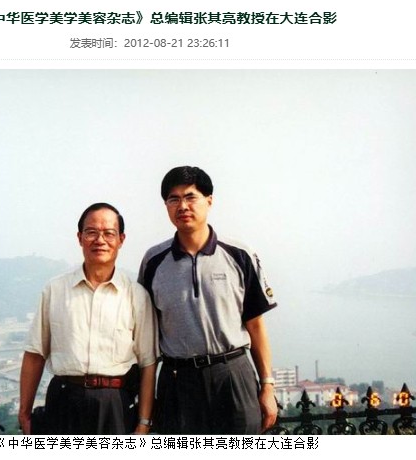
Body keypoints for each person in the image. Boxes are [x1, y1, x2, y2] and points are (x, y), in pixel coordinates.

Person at [138, 166, 278, 434]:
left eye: (191, 197)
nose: (182, 206)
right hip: (177, 381)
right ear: (166, 206)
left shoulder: (239, 254)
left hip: (232, 374)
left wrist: (267, 386)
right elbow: (146, 334)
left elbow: (256, 325)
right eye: (174, 199)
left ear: (209, 201)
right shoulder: (154, 261)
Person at [19, 202, 157, 435]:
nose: (100, 240)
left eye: (109, 233)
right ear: (80, 238)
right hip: (64, 400)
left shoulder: (136, 295)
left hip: (114, 403)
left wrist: (143, 422)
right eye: (91, 232)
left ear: (121, 239)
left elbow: (148, 363)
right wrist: (24, 412)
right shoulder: (55, 290)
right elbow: (35, 353)